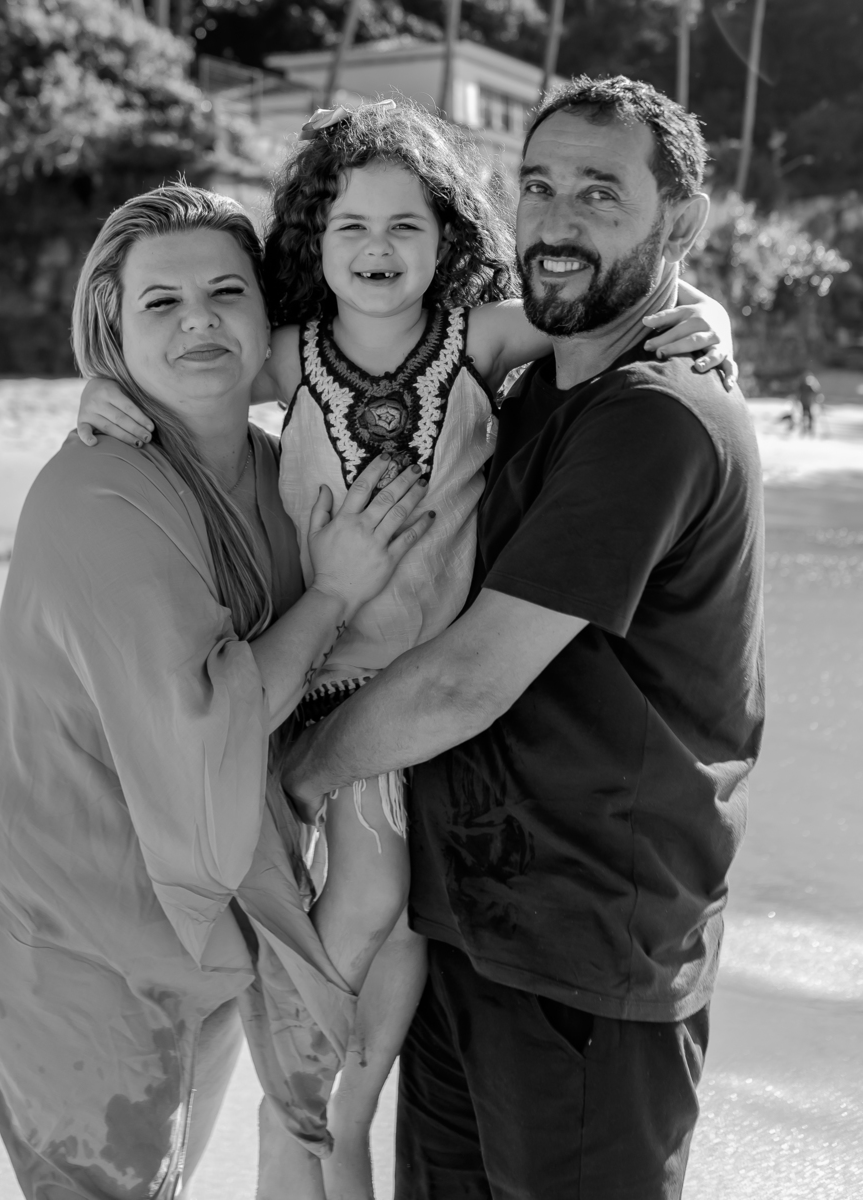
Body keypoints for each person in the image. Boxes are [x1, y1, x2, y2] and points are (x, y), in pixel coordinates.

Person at [78, 100, 735, 1200]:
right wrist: (102, 384)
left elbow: (611, 313)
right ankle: (299, 1032)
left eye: (405, 228)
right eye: (350, 230)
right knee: (367, 932)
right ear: (313, 245)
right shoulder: (295, 357)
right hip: (342, 687)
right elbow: (183, 361)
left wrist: (702, 311)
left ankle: (319, 1074)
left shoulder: (489, 346)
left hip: (442, 723)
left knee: (393, 955)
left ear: (447, 242)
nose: (377, 252)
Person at [285, 76, 766, 1200]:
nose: (555, 218)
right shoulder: (545, 383)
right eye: (538, 185)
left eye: (601, 192)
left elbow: (464, 680)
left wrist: (297, 772)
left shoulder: (656, 416)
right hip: (471, 930)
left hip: (586, 960)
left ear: (679, 222)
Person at [0, 183, 435, 1200]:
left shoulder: (283, 470)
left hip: (202, 934)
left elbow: (462, 341)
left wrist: (696, 319)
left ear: (271, 322)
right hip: (66, 947)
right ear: (112, 333)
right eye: (159, 304)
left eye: (226, 291)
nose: (200, 318)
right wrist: (336, 589)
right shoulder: (99, 494)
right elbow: (214, 720)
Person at [796, 367, 821, 436]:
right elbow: (815, 391)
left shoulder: (806, 385)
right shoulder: (804, 385)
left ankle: (808, 428)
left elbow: (815, 391)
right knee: (806, 415)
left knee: (807, 415)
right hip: (805, 401)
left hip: (807, 401)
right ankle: (806, 428)